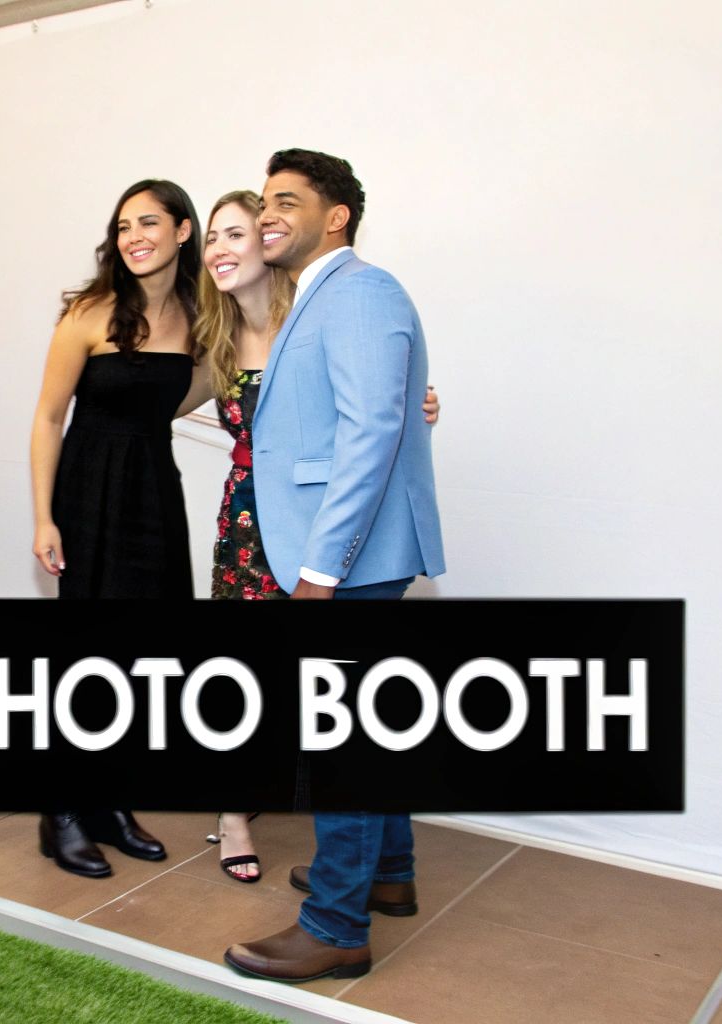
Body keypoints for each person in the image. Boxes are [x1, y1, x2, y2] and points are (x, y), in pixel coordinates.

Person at [223, 149, 446, 983]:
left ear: (336, 216)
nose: (269, 213)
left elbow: (369, 433)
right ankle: (385, 877)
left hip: (347, 557)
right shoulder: (318, 296)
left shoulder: (360, 292)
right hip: (350, 551)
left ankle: (335, 926)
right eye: (266, 199)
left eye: (287, 200)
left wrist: (321, 568)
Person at [26, 179, 202, 877]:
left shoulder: (199, 317)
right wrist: (43, 516)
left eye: (149, 222)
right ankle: (61, 811)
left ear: (183, 231)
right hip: (89, 495)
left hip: (155, 495)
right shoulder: (89, 314)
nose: (134, 236)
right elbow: (46, 418)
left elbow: (221, 385)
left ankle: (109, 803)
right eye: (124, 225)